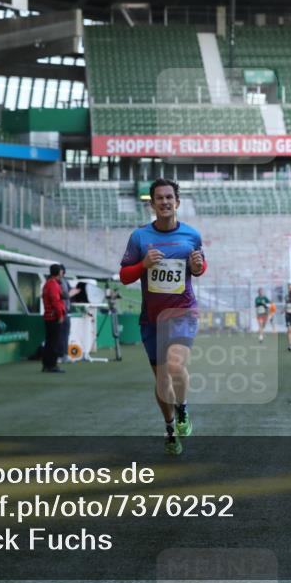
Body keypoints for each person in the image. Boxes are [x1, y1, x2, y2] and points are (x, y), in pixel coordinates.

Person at [119, 178, 206, 456]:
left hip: (183, 312)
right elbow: (123, 276)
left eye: (170, 197)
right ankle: (170, 428)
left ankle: (182, 411)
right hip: (152, 319)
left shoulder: (191, 235)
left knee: (175, 365)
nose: (165, 202)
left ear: (177, 202)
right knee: (161, 380)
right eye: (160, 198)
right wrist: (143, 264)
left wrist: (197, 266)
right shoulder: (140, 237)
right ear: (152, 204)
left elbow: (199, 267)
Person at [41, 264, 66, 373]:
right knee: (54, 342)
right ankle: (52, 365)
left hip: (48, 316)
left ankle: (47, 364)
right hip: (54, 317)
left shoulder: (47, 284)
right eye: (61, 271)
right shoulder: (53, 285)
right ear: (58, 272)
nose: (62, 273)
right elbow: (56, 301)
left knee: (49, 341)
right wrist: (60, 315)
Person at [57, 265, 82, 363]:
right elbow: (63, 295)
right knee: (59, 335)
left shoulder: (64, 281)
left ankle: (64, 355)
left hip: (65, 311)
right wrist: (71, 293)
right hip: (59, 311)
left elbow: (69, 291)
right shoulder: (55, 282)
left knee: (65, 334)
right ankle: (59, 355)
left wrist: (75, 291)